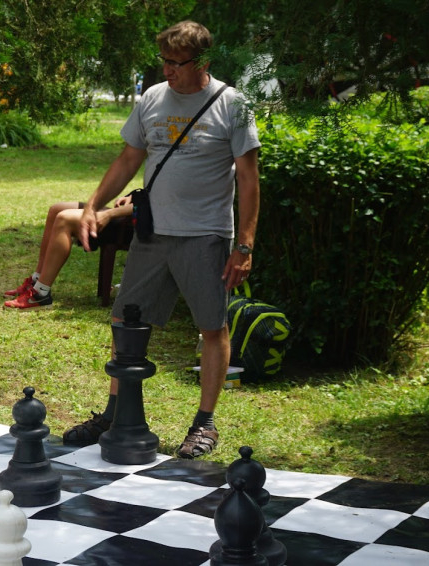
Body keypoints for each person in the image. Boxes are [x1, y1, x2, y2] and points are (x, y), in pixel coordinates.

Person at [62, 21, 261, 459]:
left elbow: (249, 179)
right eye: (164, 61)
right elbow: (128, 158)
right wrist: (94, 205)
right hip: (152, 234)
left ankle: (204, 423)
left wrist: (243, 246)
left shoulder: (233, 104)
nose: (167, 70)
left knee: (212, 326)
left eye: (177, 63)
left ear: (202, 62)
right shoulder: (152, 98)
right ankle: (115, 413)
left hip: (205, 236)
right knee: (124, 321)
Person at [3, 195, 133, 309]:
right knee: (56, 209)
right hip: (131, 209)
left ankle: (40, 294)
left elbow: (146, 206)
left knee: (64, 218)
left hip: (137, 223)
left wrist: (110, 213)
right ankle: (36, 279)